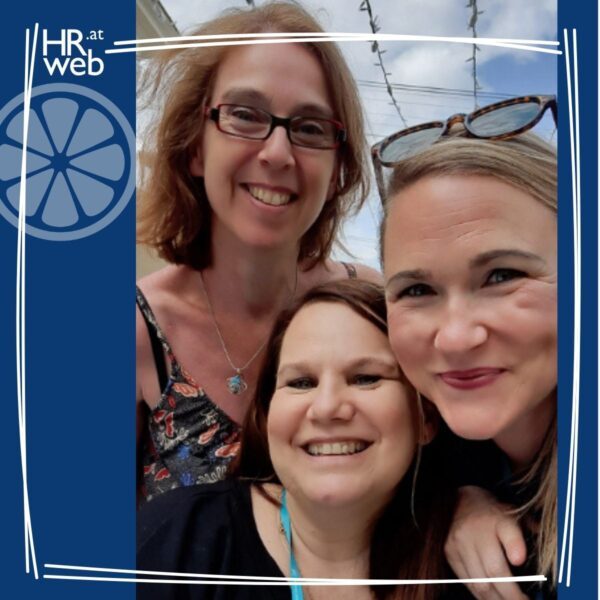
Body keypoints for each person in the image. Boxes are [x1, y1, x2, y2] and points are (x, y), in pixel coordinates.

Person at [136, 1, 379, 503]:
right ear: (195, 146)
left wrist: (469, 500)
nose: (277, 153)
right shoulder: (134, 330)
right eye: (245, 115)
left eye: (310, 128)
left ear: (338, 171)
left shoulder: (375, 307)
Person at [137, 280, 455, 600]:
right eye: (301, 382)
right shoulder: (173, 540)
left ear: (425, 418)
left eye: (365, 378)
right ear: (266, 415)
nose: (327, 408)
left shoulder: (471, 567)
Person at [376, 96, 557, 600]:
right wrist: (455, 500)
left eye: (502, 276)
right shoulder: (428, 457)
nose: (455, 338)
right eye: (417, 290)